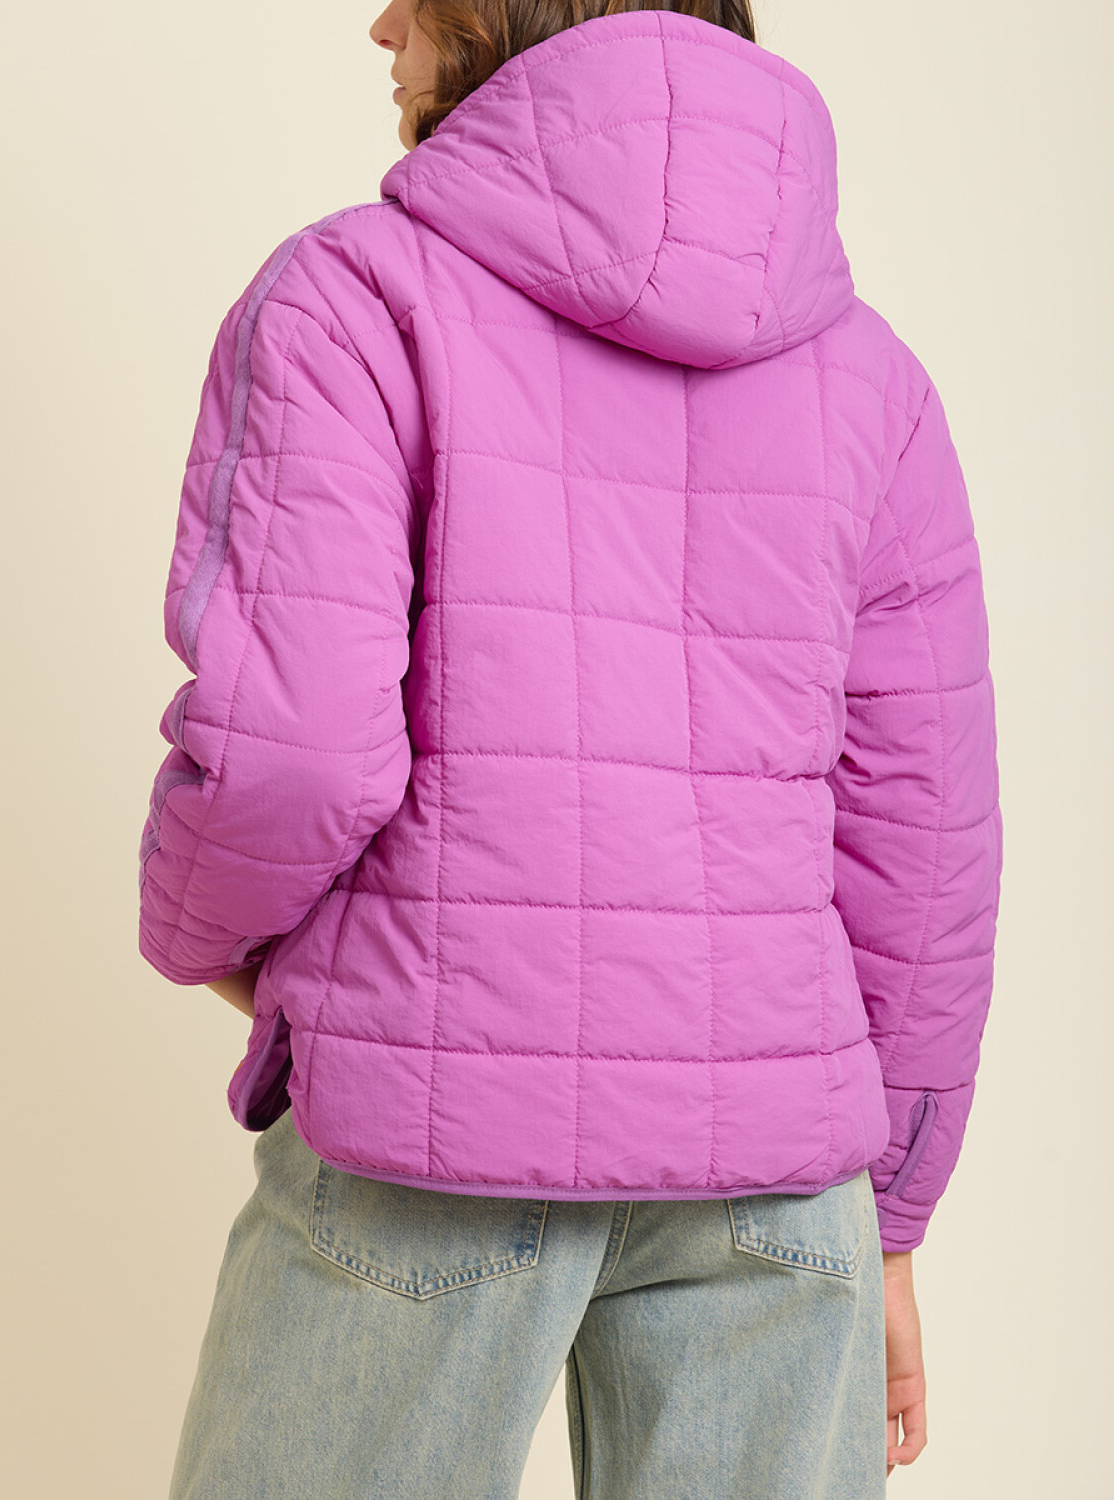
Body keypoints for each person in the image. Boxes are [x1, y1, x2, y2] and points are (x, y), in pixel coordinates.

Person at [137, 2, 1003, 1495]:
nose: (382, 24)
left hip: (428, 1140)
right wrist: (893, 1224)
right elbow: (923, 844)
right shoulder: (875, 379)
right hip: (780, 1184)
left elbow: (293, 752)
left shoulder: (350, 298)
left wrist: (201, 936)